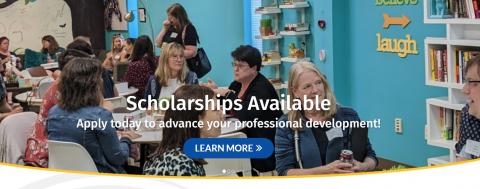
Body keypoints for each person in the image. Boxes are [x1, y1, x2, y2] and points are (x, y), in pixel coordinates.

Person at [24, 39, 117, 167]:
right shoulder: (64, 91)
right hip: (51, 155)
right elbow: (80, 125)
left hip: (69, 152)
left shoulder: (73, 87)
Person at [275, 62, 377, 176]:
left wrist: (363, 166)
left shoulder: (348, 116)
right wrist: (324, 171)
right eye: (307, 86)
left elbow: (371, 156)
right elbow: (284, 171)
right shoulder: (286, 125)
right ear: (295, 92)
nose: (315, 90)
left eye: (318, 83)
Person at [46, 57, 140, 173]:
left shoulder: (53, 113)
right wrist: (126, 139)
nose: (102, 81)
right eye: (99, 78)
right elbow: (118, 158)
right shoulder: (100, 115)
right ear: (93, 84)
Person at [203, 45, 282, 175]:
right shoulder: (237, 84)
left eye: (240, 65)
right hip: (243, 139)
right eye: (234, 64)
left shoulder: (262, 88)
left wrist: (227, 94)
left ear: (254, 68)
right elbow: (229, 107)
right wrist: (216, 93)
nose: (235, 69)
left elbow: (246, 115)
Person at [143, 85, 222, 176]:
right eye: (216, 109)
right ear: (197, 119)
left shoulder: (180, 155)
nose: (222, 114)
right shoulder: (181, 164)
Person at [155, 3, 199, 71]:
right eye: (168, 16)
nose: (169, 19)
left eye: (171, 16)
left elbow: (192, 52)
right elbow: (157, 44)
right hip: (168, 68)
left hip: (182, 68)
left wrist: (171, 52)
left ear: (178, 17)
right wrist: (164, 29)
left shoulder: (189, 29)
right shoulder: (170, 27)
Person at [456, 55, 480, 160]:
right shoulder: (467, 114)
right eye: (466, 82)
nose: (464, 90)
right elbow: (463, 157)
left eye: (473, 83)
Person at [124, 35, 157, 101]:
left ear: (136, 47)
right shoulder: (157, 60)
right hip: (157, 96)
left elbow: (127, 83)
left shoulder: (134, 65)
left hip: (139, 99)